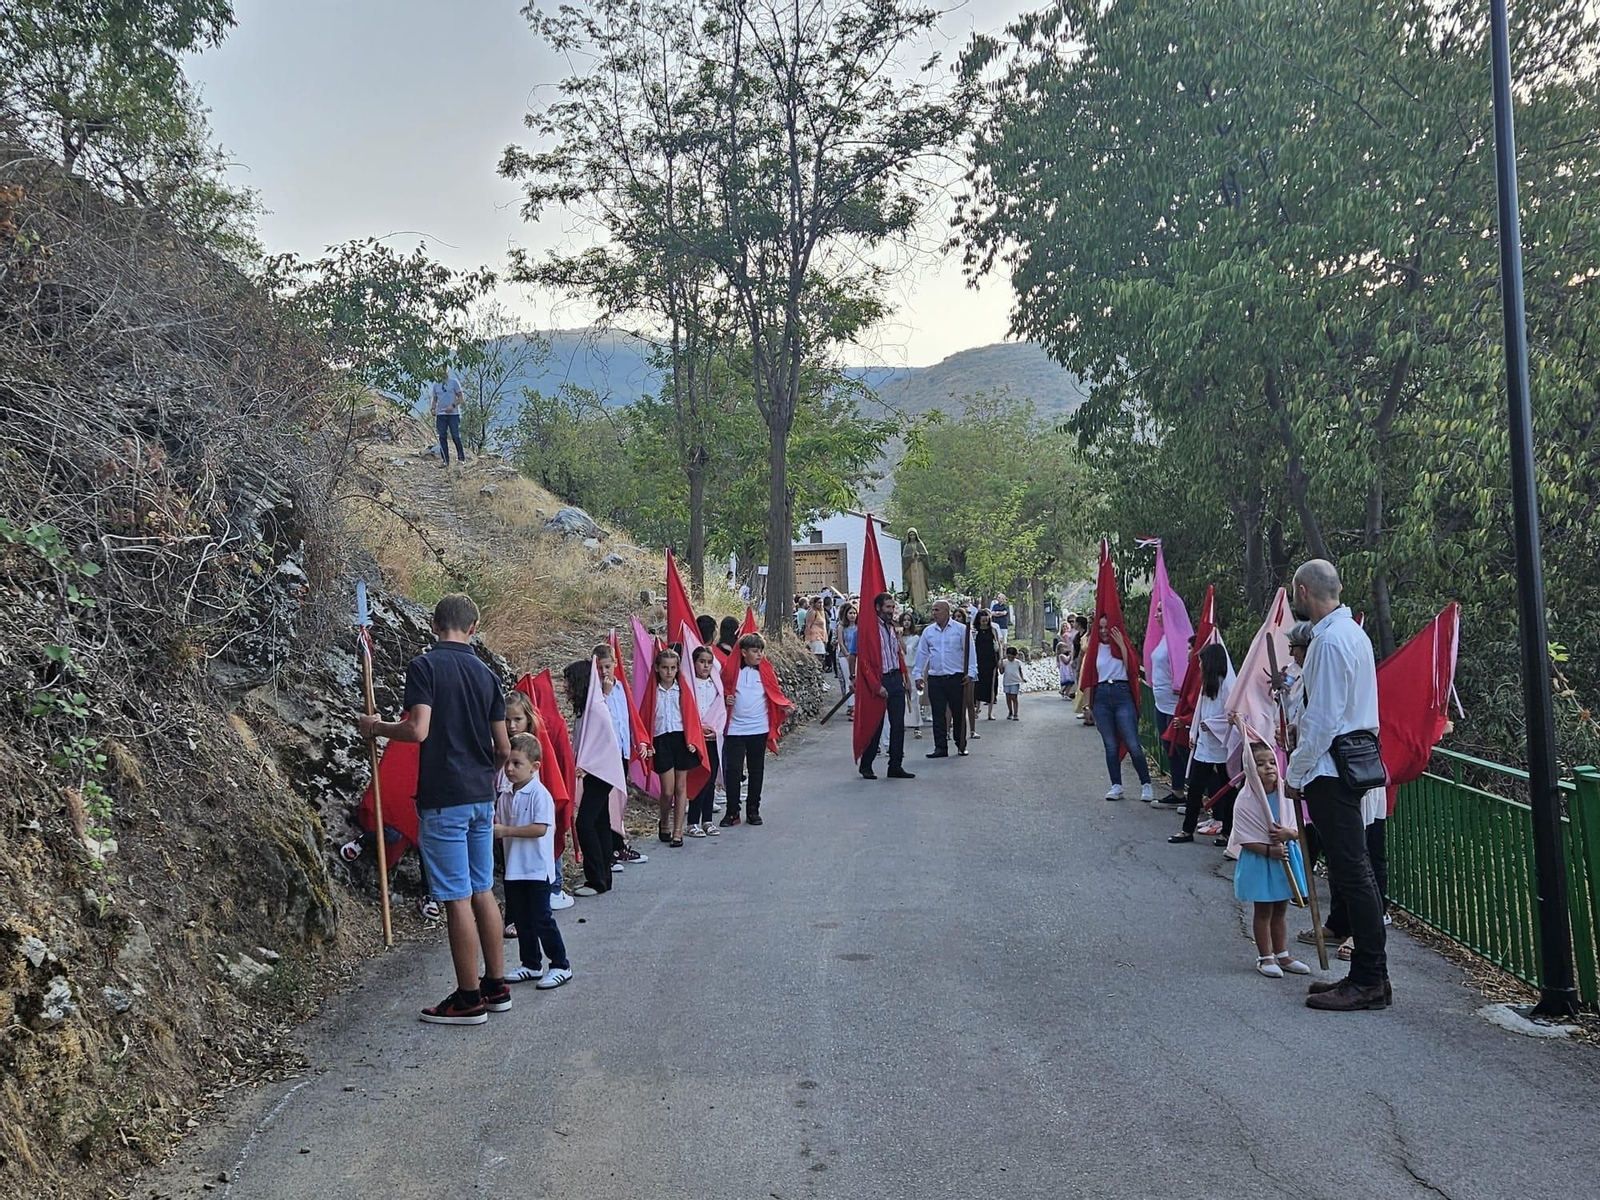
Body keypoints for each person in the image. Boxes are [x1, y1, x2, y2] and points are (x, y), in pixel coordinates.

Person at [357, 593, 509, 1026]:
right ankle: (496, 985)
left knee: (455, 895)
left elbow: (418, 729)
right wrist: (486, 774)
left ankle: (467, 998)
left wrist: (378, 727)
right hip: (482, 794)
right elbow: (502, 746)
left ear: (433, 624)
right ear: (474, 628)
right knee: (483, 889)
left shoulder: (425, 666)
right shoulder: (487, 674)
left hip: (444, 796)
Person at [1286, 560, 1388, 1012]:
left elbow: (1322, 720)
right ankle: (1368, 974)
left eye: (1295, 594)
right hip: (1346, 762)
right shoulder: (1353, 635)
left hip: (1330, 768)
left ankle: (1369, 978)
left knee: (1353, 874)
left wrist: (1294, 771)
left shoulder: (1328, 641)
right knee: (1354, 871)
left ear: (1303, 592)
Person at [496, 733, 572, 989]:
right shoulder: (505, 795)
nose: (509, 769)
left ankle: (561, 964)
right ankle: (531, 963)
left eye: (517, 764)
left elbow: (540, 828)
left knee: (542, 918)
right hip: (514, 868)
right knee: (522, 919)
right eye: (507, 762)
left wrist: (505, 830)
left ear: (534, 767)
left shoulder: (540, 795)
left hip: (537, 869)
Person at [1233, 741, 1310, 979]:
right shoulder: (1246, 800)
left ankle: (1283, 953)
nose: (1268, 768)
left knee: (1281, 908)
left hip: (1285, 856)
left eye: (1271, 762)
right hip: (1261, 860)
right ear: (1249, 769)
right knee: (1264, 909)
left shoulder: (1287, 793)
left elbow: (1301, 823)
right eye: (1260, 764)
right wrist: (1267, 850)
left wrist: (1290, 834)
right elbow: (1243, 837)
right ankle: (1265, 956)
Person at [720, 633, 791, 826]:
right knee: (733, 770)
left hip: (758, 728)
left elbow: (774, 693)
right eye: (754, 651)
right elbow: (721, 690)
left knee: (756, 770)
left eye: (761, 651)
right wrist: (726, 698)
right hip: (735, 729)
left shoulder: (766, 672)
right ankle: (732, 811)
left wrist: (784, 705)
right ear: (743, 652)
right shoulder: (731, 672)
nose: (759, 654)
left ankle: (753, 810)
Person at [1170, 642, 1234, 841]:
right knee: (1196, 788)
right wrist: (1194, 734)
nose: (1199, 666)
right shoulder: (1207, 685)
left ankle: (1227, 832)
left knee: (1227, 788)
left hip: (1222, 746)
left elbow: (1233, 715)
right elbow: (1200, 711)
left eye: (1202, 662)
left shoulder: (1227, 686)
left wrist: (1212, 726)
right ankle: (1187, 830)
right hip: (1205, 745)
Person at [1086, 614, 1153, 801]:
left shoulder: (1122, 644)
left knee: (1132, 742)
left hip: (1122, 693)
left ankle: (1146, 783)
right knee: (1110, 745)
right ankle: (1116, 785)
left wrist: (1121, 645)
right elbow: (1089, 676)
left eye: (1106, 627)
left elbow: (1132, 669)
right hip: (1102, 696)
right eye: (1100, 628)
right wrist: (1087, 705)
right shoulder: (1096, 648)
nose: (1104, 631)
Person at [563, 659, 613, 897]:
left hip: (602, 774)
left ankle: (596, 879)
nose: (565, 687)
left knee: (585, 823)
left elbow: (607, 745)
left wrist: (587, 765)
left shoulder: (596, 709)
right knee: (600, 823)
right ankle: (604, 876)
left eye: (568, 681)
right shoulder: (587, 708)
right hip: (598, 774)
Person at [857, 592, 915, 781]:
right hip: (880, 679)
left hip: (895, 677)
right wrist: (876, 685)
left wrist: (905, 677)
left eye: (893, 607)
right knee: (876, 723)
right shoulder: (870, 629)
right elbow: (864, 661)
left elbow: (897, 654)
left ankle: (895, 765)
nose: (891, 611)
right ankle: (867, 765)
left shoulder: (892, 628)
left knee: (898, 724)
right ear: (878, 608)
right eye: (888, 607)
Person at [911, 600, 977, 759]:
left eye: (937, 610)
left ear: (947, 611)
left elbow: (970, 653)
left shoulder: (961, 630)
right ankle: (940, 747)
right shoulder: (928, 632)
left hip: (956, 677)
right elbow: (922, 654)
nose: (934, 613)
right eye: (933, 610)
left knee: (958, 712)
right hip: (936, 678)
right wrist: (918, 674)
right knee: (938, 713)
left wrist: (971, 672)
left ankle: (961, 744)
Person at [647, 648, 698, 847]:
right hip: (662, 740)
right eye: (665, 668)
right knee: (667, 790)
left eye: (673, 668)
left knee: (681, 786)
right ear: (657, 669)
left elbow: (691, 716)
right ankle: (664, 821)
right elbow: (646, 716)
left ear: (678, 669)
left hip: (681, 739)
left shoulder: (682, 690)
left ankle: (678, 831)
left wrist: (693, 739)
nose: (669, 672)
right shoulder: (653, 692)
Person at [1148, 608, 1188, 809]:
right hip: (1160, 703)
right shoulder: (1164, 637)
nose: (1157, 615)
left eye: (1161, 611)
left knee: (1182, 749)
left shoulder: (1179, 638)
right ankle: (1178, 791)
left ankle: (1197, 796)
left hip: (1174, 705)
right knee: (1169, 750)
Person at [686, 645, 723, 837]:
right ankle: (692, 821)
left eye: (709, 662)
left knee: (710, 780)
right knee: (697, 778)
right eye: (702, 662)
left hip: (712, 738)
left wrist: (716, 730)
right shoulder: (688, 686)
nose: (706, 666)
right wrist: (697, 728)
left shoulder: (716, 687)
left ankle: (707, 820)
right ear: (693, 663)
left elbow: (721, 711)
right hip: (695, 738)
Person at [428, 371, 467, 467]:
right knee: (442, 437)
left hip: (453, 414)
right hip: (441, 414)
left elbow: (460, 397)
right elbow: (435, 399)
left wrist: (453, 406)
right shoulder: (436, 385)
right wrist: (433, 408)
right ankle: (445, 460)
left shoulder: (454, 382)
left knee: (455, 436)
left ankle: (461, 458)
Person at [973, 608, 1000, 723]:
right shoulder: (975, 631)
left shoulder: (993, 630)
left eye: (986, 620)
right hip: (978, 660)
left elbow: (999, 644)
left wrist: (1000, 659)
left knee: (991, 684)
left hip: (991, 660)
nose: (984, 622)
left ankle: (990, 712)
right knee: (978, 684)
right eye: (982, 620)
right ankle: (976, 708)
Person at [901, 611, 924, 740]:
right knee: (902, 699)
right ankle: (903, 722)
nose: (906, 622)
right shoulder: (896, 637)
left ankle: (916, 726)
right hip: (899, 670)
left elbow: (907, 650)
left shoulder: (915, 638)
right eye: (904, 620)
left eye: (908, 620)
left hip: (911, 669)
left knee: (913, 698)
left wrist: (898, 638)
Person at [1071, 615, 1094, 726]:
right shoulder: (1085, 637)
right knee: (1083, 688)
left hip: (1094, 663)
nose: (1090, 625)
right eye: (1088, 622)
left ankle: (1092, 713)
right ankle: (1086, 712)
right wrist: (1078, 668)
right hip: (1085, 662)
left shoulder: (1097, 637)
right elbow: (1081, 653)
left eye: (1092, 622)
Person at [837, 601, 859, 716]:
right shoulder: (842, 627)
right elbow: (841, 642)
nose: (852, 615)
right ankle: (851, 706)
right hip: (844, 656)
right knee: (849, 680)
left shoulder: (858, 627)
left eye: (854, 613)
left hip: (856, 657)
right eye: (850, 613)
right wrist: (847, 655)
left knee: (857, 680)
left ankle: (857, 705)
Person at [804, 597, 828, 677]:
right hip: (814, 637)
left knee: (821, 658)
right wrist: (807, 639)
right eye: (819, 603)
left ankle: (820, 677)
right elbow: (808, 625)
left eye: (822, 603)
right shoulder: (812, 612)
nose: (821, 604)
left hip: (821, 637)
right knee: (818, 658)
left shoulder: (821, 612)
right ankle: (817, 675)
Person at [1002, 646, 1024, 719]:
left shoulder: (1017, 663)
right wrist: (1000, 666)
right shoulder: (1004, 662)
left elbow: (1020, 671)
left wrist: (1022, 678)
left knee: (1014, 697)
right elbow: (1001, 672)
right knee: (1008, 697)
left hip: (1015, 681)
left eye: (1012, 657)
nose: (1010, 659)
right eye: (1009, 657)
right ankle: (1010, 711)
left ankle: (1015, 713)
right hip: (1007, 682)